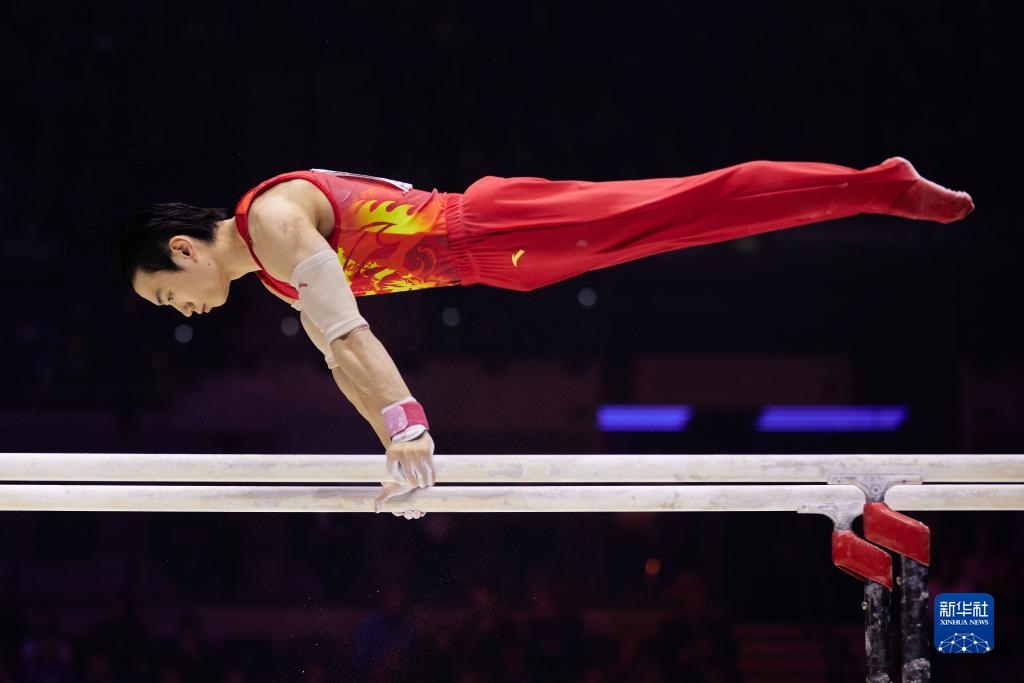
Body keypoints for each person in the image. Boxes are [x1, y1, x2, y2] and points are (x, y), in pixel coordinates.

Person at [112, 157, 973, 508]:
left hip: (492, 226)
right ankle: (868, 190)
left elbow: (346, 331)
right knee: (682, 221)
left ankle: (878, 186)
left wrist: (408, 422)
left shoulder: (271, 220)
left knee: (686, 205)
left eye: (166, 294)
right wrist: (393, 445)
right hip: (497, 260)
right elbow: (339, 359)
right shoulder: (271, 270)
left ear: (183, 249)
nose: (180, 311)